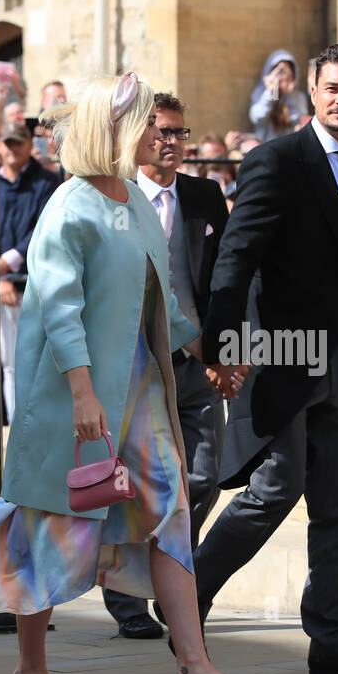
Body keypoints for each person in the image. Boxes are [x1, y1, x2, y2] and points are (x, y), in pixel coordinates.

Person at [0, 73, 266, 674]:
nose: (157, 135)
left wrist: (209, 355)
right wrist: (82, 395)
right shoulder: (70, 205)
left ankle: (193, 664)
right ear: (111, 132)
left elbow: (160, 302)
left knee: (169, 513)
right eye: (144, 122)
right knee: (51, 524)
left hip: (140, 395)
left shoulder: (135, 203)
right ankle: (31, 670)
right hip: (72, 400)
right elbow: (59, 309)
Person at [191, 44, 338, 674]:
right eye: (332, 88)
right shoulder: (275, 161)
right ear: (312, 94)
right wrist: (220, 348)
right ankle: (187, 598)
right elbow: (235, 259)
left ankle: (330, 639)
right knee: (274, 490)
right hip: (277, 357)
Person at [98, 91, 229, 640]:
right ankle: (126, 597)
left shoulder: (205, 195)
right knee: (133, 481)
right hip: (132, 362)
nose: (172, 141)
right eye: (161, 131)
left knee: (203, 475)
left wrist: (226, 347)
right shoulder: (115, 196)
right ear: (137, 136)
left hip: (194, 361)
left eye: (180, 132)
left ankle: (170, 578)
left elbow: (224, 275)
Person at [0, 119, 62, 423]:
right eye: (7, 143)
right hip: (0, 288)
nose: (12, 149)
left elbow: (41, 230)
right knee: (9, 364)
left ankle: (35, 427)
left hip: (34, 286)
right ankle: (17, 423)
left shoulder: (46, 183)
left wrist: (5, 265)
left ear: (28, 145)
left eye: (17, 142)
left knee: (35, 362)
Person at [248, 50, 310, 143]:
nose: (282, 75)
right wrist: (271, 91)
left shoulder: (298, 96)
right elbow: (258, 118)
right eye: (278, 71)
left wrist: (289, 95)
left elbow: (299, 122)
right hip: (265, 145)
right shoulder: (260, 92)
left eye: (286, 71)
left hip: (289, 146)